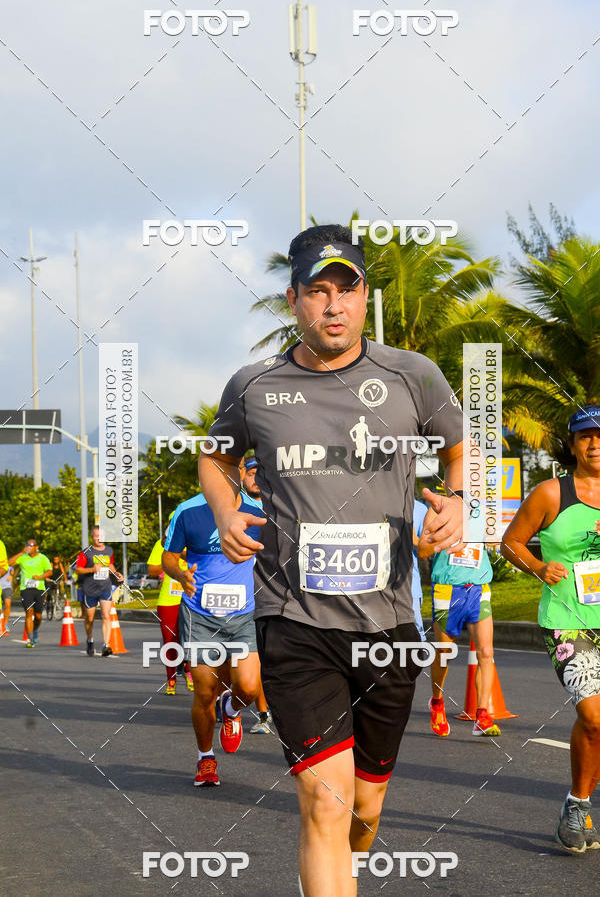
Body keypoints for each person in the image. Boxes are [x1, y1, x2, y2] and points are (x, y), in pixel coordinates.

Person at [199, 223, 466, 896]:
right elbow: (213, 454)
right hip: (295, 623)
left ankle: (335, 872)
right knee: (327, 803)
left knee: (366, 808)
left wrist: (457, 499)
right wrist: (228, 508)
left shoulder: (411, 375)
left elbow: (461, 443)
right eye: (317, 292)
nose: (333, 306)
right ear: (293, 299)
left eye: (345, 290)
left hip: (389, 629)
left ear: (365, 296)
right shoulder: (256, 385)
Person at [501, 405, 600, 853]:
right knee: (596, 716)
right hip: (567, 622)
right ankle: (578, 806)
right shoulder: (550, 493)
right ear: (573, 443)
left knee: (597, 725)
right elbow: (510, 543)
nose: (594, 443)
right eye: (585, 436)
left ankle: (580, 800)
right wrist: (539, 567)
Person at [162, 457, 264, 787]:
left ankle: (231, 709)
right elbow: (168, 555)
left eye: (231, 466)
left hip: (245, 614)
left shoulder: (258, 511)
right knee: (204, 692)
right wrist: (178, 571)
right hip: (200, 614)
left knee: (248, 687)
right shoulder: (188, 511)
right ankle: (205, 758)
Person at [418, 526, 500, 737]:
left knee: (486, 652)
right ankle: (436, 701)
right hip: (447, 588)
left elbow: (498, 539)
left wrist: (494, 537)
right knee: (445, 652)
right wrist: (445, 538)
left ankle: (482, 715)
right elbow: (423, 550)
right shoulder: (438, 513)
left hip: (479, 587)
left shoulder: (483, 509)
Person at [241, 455, 273, 734]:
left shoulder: (280, 503)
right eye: (251, 473)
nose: (256, 478)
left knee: (266, 658)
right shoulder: (233, 507)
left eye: (260, 472)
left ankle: (264, 714)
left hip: (276, 593)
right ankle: (233, 704)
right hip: (241, 595)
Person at [147, 518, 194, 695]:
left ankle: (189, 673)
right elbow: (151, 570)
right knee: (170, 641)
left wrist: (181, 554)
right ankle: (171, 679)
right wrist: (169, 559)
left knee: (191, 639)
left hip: (191, 598)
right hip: (168, 600)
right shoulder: (161, 545)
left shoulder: (194, 543)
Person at [76, 525, 123, 657]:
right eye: (97, 536)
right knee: (89, 618)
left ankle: (105, 645)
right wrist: (91, 570)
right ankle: (90, 640)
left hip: (105, 587)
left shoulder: (109, 550)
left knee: (106, 615)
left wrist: (116, 574)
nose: (99, 538)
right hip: (89, 588)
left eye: (101, 536)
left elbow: (110, 565)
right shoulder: (86, 552)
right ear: (92, 537)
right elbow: (78, 569)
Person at [8, 539, 52, 646]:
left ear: (36, 547)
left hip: (39, 589)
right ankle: (30, 639)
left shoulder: (42, 558)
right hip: (25, 589)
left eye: (31, 545)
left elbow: (49, 571)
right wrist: (22, 552)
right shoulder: (23, 557)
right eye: (27, 545)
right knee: (29, 612)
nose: (28, 547)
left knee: (38, 616)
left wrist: (40, 577)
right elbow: (9, 563)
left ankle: (35, 630)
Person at [412, 498, 428, 642]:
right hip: (375, 586)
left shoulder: (420, 509)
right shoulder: (377, 503)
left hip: (410, 587)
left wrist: (413, 538)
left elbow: (426, 551)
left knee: (416, 636)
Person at [0, 536, 13, 630]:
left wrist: (11, 576)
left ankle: (6, 623)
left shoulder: (10, 567)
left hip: (6, 587)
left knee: (7, 604)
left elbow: (9, 572)